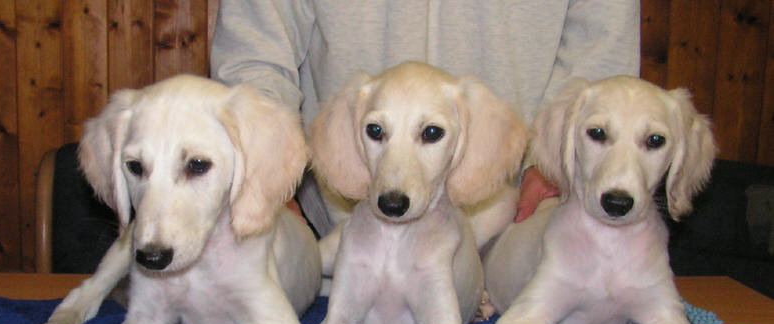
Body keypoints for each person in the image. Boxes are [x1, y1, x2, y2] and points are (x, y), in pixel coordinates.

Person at [210, 1, 640, 235]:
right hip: (345, 230)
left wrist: (555, 164)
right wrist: (262, 180)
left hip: (514, 228)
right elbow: (256, 55)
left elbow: (600, 51)